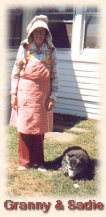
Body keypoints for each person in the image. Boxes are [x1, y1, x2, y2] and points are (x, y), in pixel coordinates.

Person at [10, 15, 59, 171]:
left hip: (43, 95)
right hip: (25, 93)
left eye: (42, 32)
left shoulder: (51, 51)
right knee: (24, 127)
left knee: (39, 129)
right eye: (36, 31)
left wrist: (53, 96)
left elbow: (55, 75)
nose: (39, 34)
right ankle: (24, 162)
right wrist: (13, 94)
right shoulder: (24, 48)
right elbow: (15, 73)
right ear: (31, 33)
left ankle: (39, 162)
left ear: (46, 34)